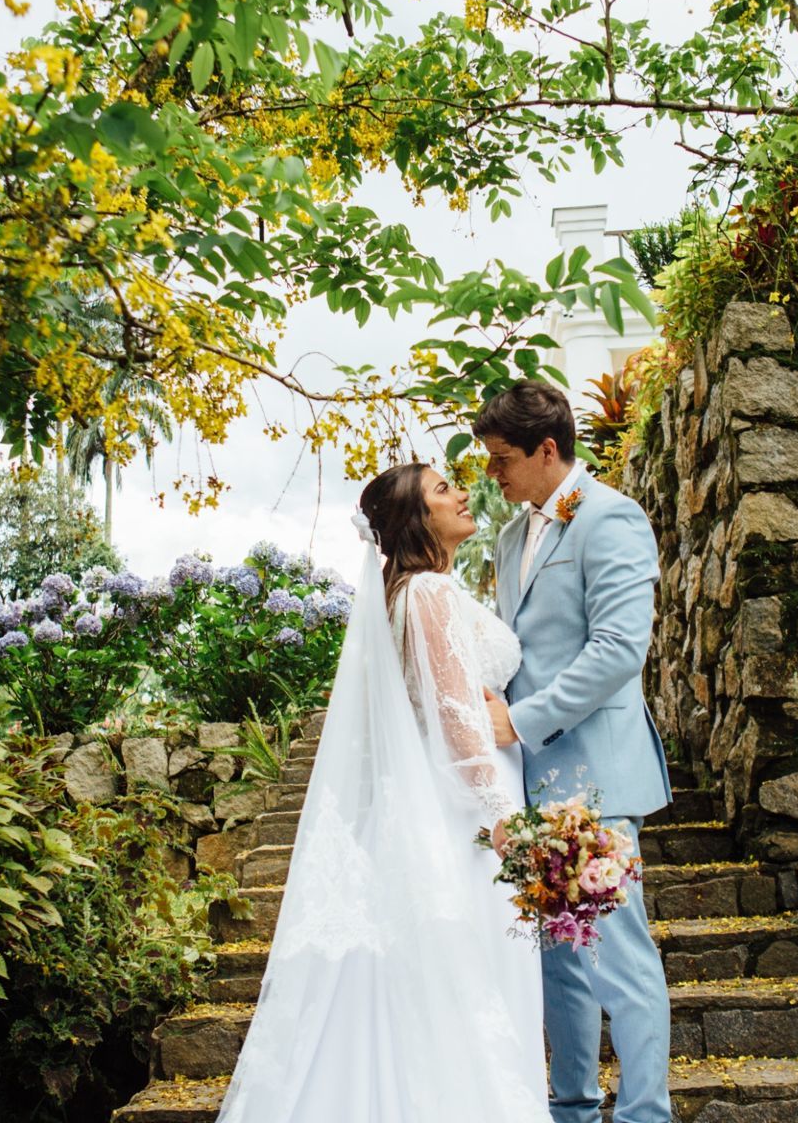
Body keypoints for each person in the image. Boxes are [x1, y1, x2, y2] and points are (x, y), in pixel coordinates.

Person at [213, 461, 549, 1123]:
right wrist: (506, 818)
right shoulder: (426, 593)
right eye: (442, 490)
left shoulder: (421, 592)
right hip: (463, 815)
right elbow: (455, 718)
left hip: (451, 800)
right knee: (468, 987)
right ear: (419, 519)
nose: (460, 494)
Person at [476, 378, 673, 1123]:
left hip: (597, 772)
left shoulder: (612, 518)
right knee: (559, 962)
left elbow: (620, 648)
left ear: (548, 449)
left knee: (620, 961)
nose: (491, 475)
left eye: (501, 460)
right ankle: (572, 1109)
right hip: (533, 785)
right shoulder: (507, 536)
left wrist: (522, 722)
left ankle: (647, 1115)